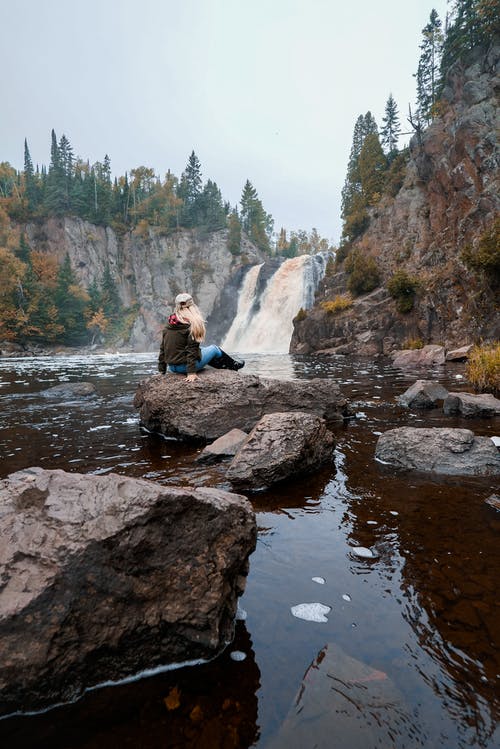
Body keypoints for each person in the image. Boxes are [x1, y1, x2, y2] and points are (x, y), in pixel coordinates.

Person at [158, 292, 245, 382]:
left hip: (172, 367)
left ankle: (227, 367)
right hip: (185, 368)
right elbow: (191, 350)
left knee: (202, 349)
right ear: (192, 307)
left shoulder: (169, 325)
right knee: (214, 349)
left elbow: (163, 349)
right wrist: (191, 373)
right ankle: (233, 366)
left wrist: (162, 371)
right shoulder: (192, 325)